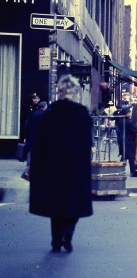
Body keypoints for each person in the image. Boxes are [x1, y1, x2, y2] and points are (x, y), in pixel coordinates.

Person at [29, 75, 93, 253]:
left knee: (56, 205)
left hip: (53, 166)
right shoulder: (81, 113)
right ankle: (68, 233)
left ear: (60, 91)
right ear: (76, 93)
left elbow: (40, 142)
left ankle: (56, 239)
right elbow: (86, 143)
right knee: (75, 204)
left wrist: (37, 166)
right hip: (76, 167)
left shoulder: (50, 112)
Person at [24, 101, 48, 167]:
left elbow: (28, 125)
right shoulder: (46, 114)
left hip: (32, 134)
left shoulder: (33, 114)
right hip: (42, 134)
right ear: (45, 106)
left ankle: (29, 165)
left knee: (30, 150)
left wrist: (26, 136)